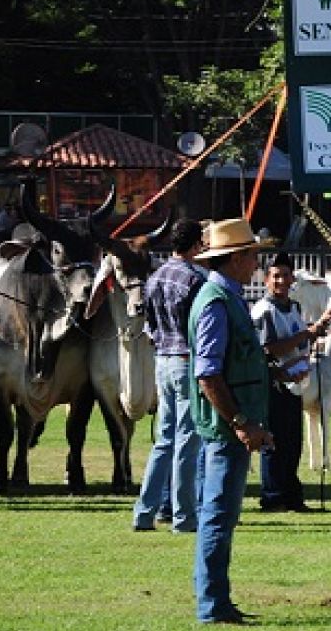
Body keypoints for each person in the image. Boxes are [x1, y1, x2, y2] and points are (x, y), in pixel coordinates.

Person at [189, 218, 273, 624]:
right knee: (219, 516)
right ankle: (212, 604)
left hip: (230, 425)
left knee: (220, 515)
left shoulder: (226, 298)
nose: (257, 262)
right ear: (236, 258)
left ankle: (216, 600)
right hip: (226, 428)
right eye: (253, 254)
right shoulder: (217, 302)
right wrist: (240, 421)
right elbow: (208, 374)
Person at [131, 219, 207, 533]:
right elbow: (200, 327)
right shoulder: (195, 280)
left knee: (164, 441)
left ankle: (144, 512)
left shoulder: (154, 277)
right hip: (186, 360)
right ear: (196, 245)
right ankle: (183, 516)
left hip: (162, 359)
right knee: (187, 441)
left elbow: (148, 326)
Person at [251, 252, 331, 513]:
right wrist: (306, 334)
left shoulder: (294, 307)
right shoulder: (263, 310)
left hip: (295, 380)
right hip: (273, 382)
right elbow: (269, 348)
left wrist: (320, 325)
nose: (281, 281)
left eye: (286, 275)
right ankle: (272, 497)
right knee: (274, 442)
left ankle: (291, 496)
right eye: (276, 276)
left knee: (292, 442)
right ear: (266, 279)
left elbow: (300, 338)